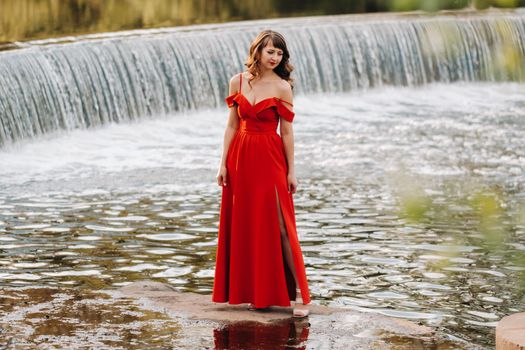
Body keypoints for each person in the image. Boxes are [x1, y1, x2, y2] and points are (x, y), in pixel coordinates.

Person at [212, 29, 310, 318]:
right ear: (257, 51)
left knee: (281, 226)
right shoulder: (237, 81)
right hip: (241, 157)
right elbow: (231, 125)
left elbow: (288, 132)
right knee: (247, 224)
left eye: (279, 53)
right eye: (270, 52)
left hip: (270, 157)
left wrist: (292, 171)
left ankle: (301, 298)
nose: (275, 57)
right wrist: (222, 164)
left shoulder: (282, 87)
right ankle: (256, 294)